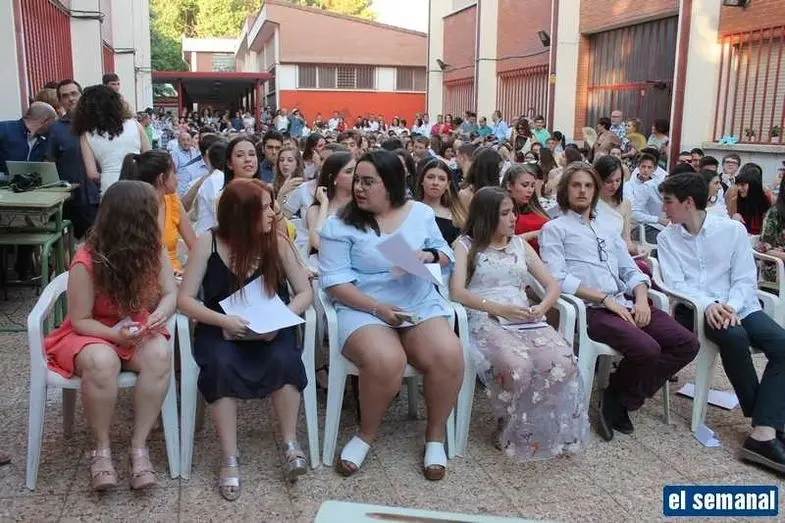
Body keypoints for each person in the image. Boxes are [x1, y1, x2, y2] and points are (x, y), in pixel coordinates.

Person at [318, 149, 464, 480]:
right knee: (386, 359)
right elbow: (335, 282)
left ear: (391, 184)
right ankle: (366, 434)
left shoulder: (420, 213)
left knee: (449, 354)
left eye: (368, 182)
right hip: (364, 306)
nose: (359, 188)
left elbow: (445, 252)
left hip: (416, 301)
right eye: (357, 180)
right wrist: (378, 308)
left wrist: (428, 256)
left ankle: (435, 437)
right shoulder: (339, 224)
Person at [539, 162, 699, 441]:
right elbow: (556, 278)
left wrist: (641, 298)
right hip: (593, 309)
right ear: (565, 190)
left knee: (687, 343)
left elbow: (630, 269)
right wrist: (603, 298)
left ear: (595, 191)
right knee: (647, 349)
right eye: (576, 185)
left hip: (625, 302)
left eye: (588, 186)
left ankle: (619, 396)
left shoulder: (607, 229)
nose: (582, 191)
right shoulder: (554, 228)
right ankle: (618, 396)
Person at [177, 179, 313, 499]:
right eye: (265, 208)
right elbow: (186, 299)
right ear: (242, 214)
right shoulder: (207, 243)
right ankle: (230, 455)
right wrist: (224, 321)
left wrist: (281, 320)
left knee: (284, 359)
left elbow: (304, 292)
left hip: (271, 328)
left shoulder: (277, 242)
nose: (273, 213)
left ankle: (290, 442)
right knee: (220, 364)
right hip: (221, 327)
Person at [44, 181, 177, 491]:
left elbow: (171, 293)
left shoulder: (153, 251)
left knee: (159, 354)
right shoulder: (87, 258)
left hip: (134, 328)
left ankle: (138, 446)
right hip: (92, 331)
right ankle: (101, 450)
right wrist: (115, 335)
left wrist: (160, 313)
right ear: (136, 218)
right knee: (102, 361)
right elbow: (80, 320)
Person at [658, 173, 785, 475]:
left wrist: (731, 306)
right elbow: (675, 283)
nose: (664, 208)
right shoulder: (667, 238)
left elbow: (744, 277)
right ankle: (766, 428)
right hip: (696, 309)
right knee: (735, 337)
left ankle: (764, 427)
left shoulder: (731, 230)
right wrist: (709, 305)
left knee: (782, 344)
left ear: (688, 203)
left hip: (740, 304)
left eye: (668, 202)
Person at [449, 186, 588, 459]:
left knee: (562, 361)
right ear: (487, 216)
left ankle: (543, 423)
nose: (514, 218)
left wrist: (542, 307)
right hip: (485, 316)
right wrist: (497, 308)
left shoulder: (520, 245)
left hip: (524, 317)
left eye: (513, 211)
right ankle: (509, 422)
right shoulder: (465, 246)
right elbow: (458, 292)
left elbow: (551, 285)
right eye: (505, 213)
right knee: (517, 366)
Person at [119, 151, 197, 274]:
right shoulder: (132, 207)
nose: (177, 178)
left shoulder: (173, 202)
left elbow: (194, 246)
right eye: (174, 173)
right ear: (161, 178)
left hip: (175, 275)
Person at [72, 85, 150, 197]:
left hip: (110, 187)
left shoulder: (86, 135)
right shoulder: (135, 125)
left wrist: (106, 175)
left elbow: (92, 174)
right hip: (138, 184)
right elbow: (148, 156)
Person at [307, 151, 355, 254]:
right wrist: (324, 204)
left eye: (357, 170)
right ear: (333, 177)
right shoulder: (316, 209)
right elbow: (316, 242)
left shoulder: (364, 204)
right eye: (349, 171)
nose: (355, 175)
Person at [414, 157, 467, 246]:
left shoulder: (457, 218)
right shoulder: (410, 211)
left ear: (448, 185)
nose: (435, 182)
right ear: (422, 181)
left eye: (441, 179)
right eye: (430, 177)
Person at [503, 163, 550, 252]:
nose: (530, 190)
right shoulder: (497, 214)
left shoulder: (538, 213)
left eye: (532, 186)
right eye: (525, 185)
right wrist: (534, 234)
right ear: (509, 185)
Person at [192, 142, 228, 235]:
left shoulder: (217, 177)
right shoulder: (215, 178)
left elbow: (217, 208)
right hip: (208, 233)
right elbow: (216, 207)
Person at [727, 163, 772, 235]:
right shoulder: (734, 197)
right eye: (738, 185)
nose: (739, 188)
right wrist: (733, 218)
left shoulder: (766, 198)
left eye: (742, 185)